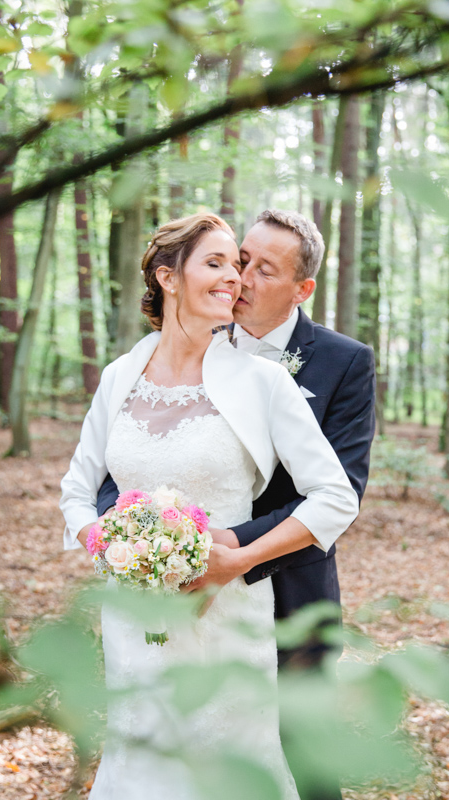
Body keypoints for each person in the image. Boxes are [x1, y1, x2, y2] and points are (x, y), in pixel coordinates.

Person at [60, 212, 359, 800]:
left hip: (229, 615)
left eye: (241, 266)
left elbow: (335, 497)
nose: (236, 278)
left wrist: (238, 558)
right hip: (135, 616)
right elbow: (77, 490)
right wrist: (115, 550)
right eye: (217, 263)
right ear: (169, 278)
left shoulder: (262, 383)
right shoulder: (120, 376)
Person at [98, 209, 376, 668]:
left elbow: (341, 488)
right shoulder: (188, 337)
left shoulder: (343, 362)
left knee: (291, 733)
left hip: (293, 588)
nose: (240, 278)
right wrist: (132, 530)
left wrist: (231, 547)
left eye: (263, 271)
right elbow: (127, 450)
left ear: (301, 290)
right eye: (239, 260)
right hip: (173, 580)